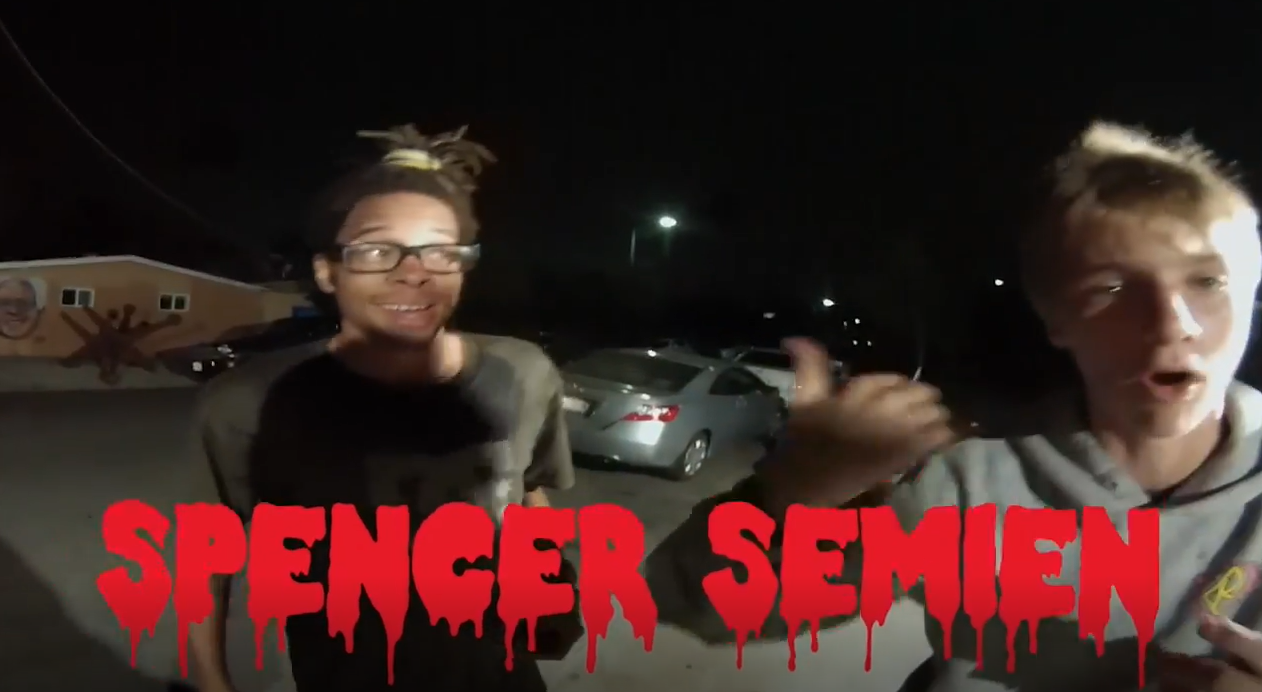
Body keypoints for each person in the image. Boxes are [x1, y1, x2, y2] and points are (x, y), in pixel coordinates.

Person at [647, 121, 1262, 692]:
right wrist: (794, 488)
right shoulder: (966, 481)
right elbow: (694, 604)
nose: (1173, 323)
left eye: (1208, 281)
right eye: (1112, 287)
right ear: (1055, 319)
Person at [185, 124, 579, 692]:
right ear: (327, 270)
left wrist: (552, 585)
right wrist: (212, 683)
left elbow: (529, 492)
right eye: (375, 249)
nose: (414, 272)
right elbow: (204, 561)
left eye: (439, 251)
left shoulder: (524, 372)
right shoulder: (248, 401)